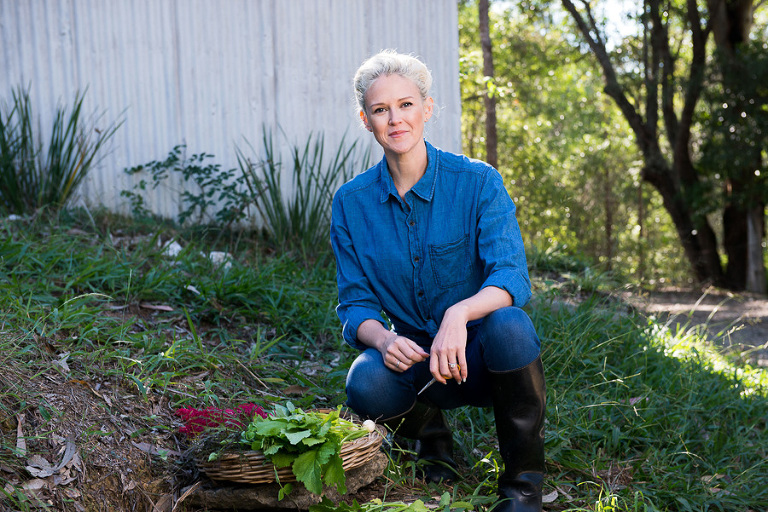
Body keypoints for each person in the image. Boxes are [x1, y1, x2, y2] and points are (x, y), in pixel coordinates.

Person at [330, 50, 546, 512]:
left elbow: (511, 276)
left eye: (406, 105)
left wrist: (459, 312)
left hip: (482, 355)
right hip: (415, 364)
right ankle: (433, 444)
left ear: (427, 109)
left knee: (512, 325)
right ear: (366, 120)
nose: (395, 120)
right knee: (365, 380)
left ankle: (523, 488)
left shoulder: (479, 182)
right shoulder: (350, 204)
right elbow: (355, 304)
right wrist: (385, 341)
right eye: (381, 109)